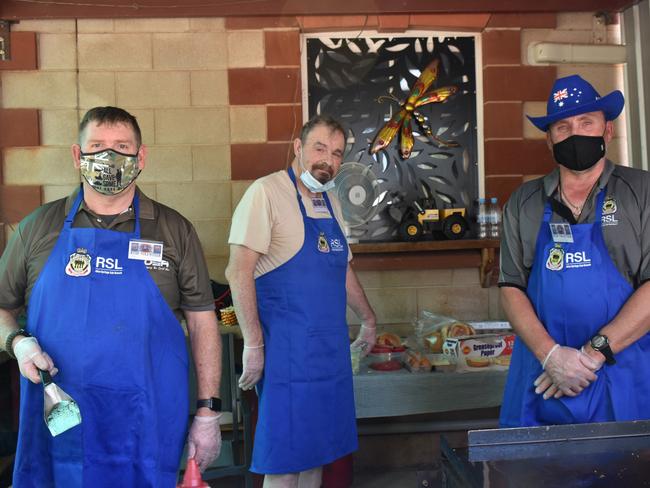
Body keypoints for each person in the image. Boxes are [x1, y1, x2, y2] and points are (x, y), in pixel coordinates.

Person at [0, 107, 223, 487]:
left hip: (146, 423)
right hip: (61, 422)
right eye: (97, 146)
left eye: (122, 147)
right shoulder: (38, 229)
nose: (109, 157)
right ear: (77, 156)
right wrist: (16, 343)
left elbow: (203, 320)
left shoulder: (173, 230)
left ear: (142, 157)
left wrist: (208, 414)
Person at [226, 115, 377, 487]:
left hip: (330, 357)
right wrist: (254, 345)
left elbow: (342, 270)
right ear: (298, 147)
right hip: (287, 358)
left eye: (337, 153)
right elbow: (237, 271)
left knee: (318, 459)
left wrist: (369, 319)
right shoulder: (266, 192)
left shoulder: (332, 203)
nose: (328, 159)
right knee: (284, 464)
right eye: (319, 148)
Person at [499, 75, 650, 427]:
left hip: (622, 375)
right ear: (549, 139)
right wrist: (551, 355)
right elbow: (510, 287)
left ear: (607, 131)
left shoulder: (642, 192)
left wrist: (591, 355)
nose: (576, 133)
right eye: (563, 127)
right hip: (543, 379)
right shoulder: (524, 201)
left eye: (587, 122)